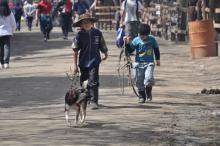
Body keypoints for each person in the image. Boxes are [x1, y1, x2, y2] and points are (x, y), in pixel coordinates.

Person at [72, 13, 108, 109]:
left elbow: (102, 44)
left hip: (95, 61)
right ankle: (85, 99)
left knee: (93, 80)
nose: (87, 24)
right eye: (84, 23)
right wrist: (75, 65)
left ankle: (94, 101)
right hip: (83, 62)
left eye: (88, 22)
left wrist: (105, 53)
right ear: (81, 25)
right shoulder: (79, 35)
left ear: (92, 23)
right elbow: (75, 50)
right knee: (84, 82)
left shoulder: (97, 33)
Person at [125, 23, 160, 103]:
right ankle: (142, 96)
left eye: (144, 36)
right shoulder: (136, 40)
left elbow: (156, 49)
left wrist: (158, 59)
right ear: (138, 33)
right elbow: (130, 51)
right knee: (138, 80)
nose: (142, 37)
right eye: (141, 35)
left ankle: (148, 91)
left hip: (149, 63)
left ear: (148, 34)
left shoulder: (152, 39)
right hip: (138, 64)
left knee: (148, 78)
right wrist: (127, 43)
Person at [0, 0, 16, 69]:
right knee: (7, 47)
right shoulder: (10, 13)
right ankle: (6, 63)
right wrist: (12, 31)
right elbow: (13, 23)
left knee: (0, 48)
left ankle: (1, 63)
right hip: (7, 33)